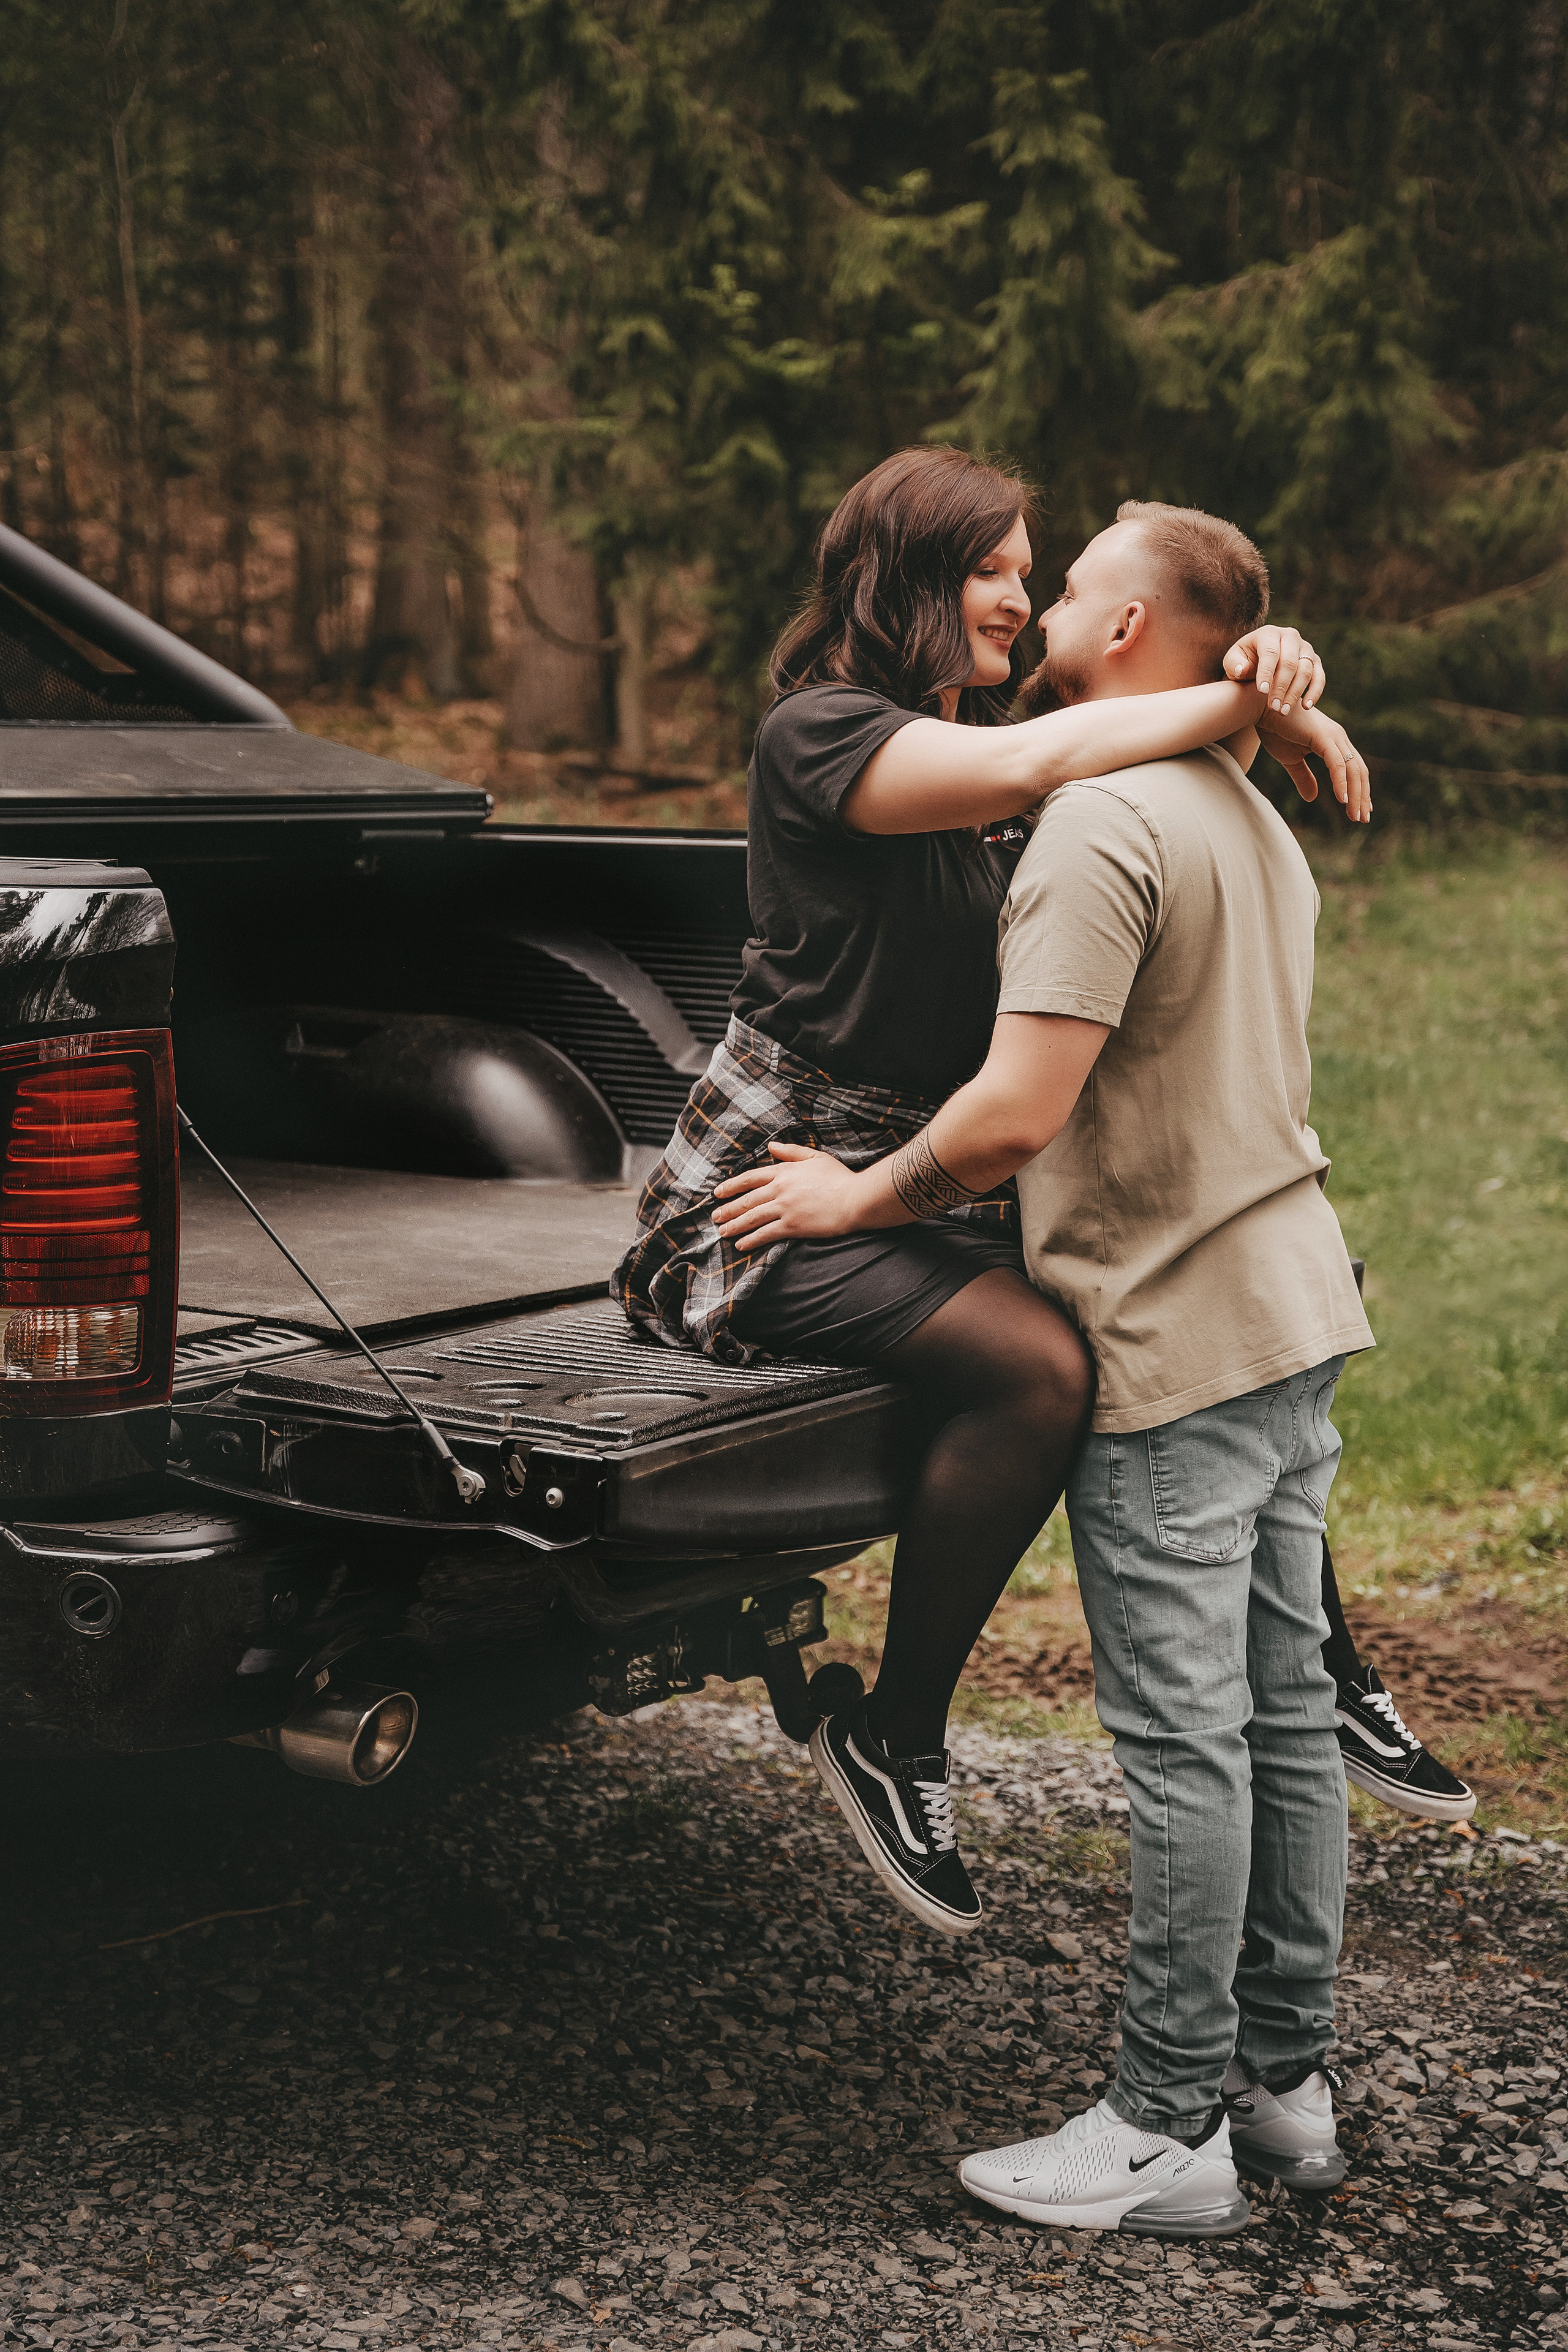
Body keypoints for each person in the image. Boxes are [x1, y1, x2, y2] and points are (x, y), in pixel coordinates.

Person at [616, 453, 1455, 1948]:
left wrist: (1272, 682)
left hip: (916, 1183)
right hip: (781, 1190)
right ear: (909, 578)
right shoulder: (823, 736)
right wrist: (1260, 701)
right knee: (1040, 1365)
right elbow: (1042, 769)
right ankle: (896, 1732)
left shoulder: (1004, 733)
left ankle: (1323, 1668)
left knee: (1157, 1299)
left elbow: (1110, 755)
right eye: (996, 568)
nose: (1020, 595)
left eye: (1036, 572)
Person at [708, 500, 1393, 2238]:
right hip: (1292, 1298)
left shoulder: (1099, 828)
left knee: (1186, 1745)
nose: (1043, 598)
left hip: (1165, 1323)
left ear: (1127, 636)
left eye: (1071, 580)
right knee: (1286, 1716)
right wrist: (1263, 701)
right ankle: (1282, 2094)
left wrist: (861, 1196)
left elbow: (1016, 1115)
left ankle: (1162, 2129)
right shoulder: (1244, 811)